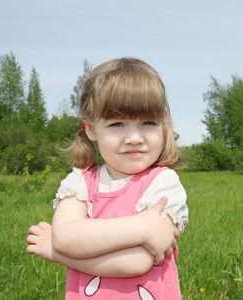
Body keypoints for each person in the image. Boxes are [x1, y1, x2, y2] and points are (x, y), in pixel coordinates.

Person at [26, 57, 188, 299]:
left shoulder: (163, 183)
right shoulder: (80, 181)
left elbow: (137, 262)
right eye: (117, 124)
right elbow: (66, 237)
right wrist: (143, 226)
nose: (134, 137)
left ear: (162, 123)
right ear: (91, 128)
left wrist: (60, 254)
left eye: (147, 122)